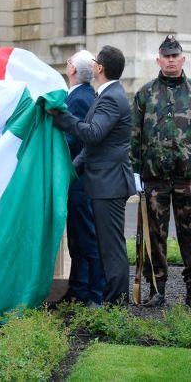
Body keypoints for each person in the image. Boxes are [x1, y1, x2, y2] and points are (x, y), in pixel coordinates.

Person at [131, 35, 191, 309]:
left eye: (175, 56)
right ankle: (156, 289)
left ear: (182, 59)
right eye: (166, 56)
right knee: (152, 236)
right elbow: (135, 135)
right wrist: (134, 171)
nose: (170, 60)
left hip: (188, 178)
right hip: (154, 179)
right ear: (158, 60)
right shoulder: (145, 94)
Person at [50, 45, 137, 305]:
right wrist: (71, 171)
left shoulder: (110, 97)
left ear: (100, 68)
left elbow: (93, 134)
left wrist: (62, 117)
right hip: (103, 181)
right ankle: (110, 299)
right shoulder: (105, 94)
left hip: (109, 182)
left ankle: (115, 303)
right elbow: (92, 148)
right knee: (106, 245)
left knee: (110, 248)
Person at [58, 49, 105, 307]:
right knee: (77, 239)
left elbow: (73, 139)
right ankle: (78, 290)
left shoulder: (78, 99)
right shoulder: (85, 95)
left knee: (85, 239)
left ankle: (91, 294)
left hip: (81, 181)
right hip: (82, 180)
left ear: (73, 70)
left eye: (69, 63)